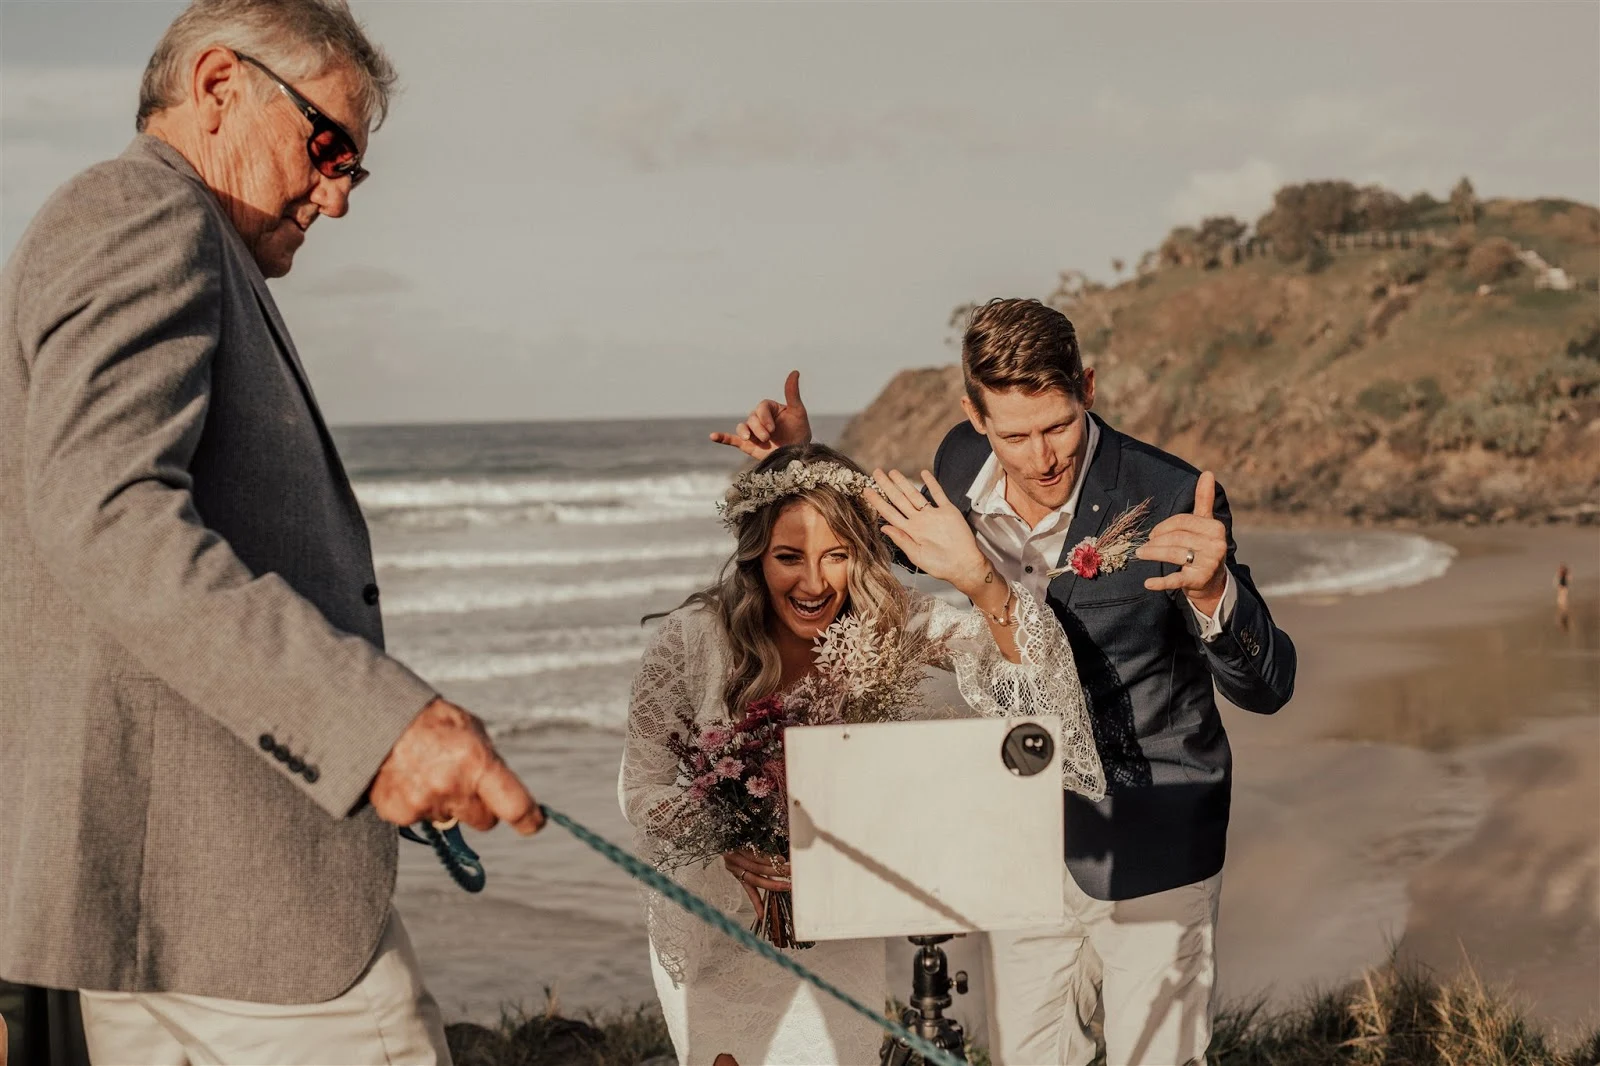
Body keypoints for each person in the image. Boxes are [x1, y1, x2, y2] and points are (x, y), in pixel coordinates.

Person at [0, 2, 543, 1062]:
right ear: (217, 87)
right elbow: (107, 516)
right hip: (240, 923)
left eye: (357, 170)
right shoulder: (140, 214)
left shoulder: (173, 233)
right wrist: (371, 726)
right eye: (327, 145)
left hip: (179, 919)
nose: (336, 196)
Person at [719, 298, 1297, 1066]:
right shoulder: (960, 462)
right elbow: (900, 540)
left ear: (1086, 387)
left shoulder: (1170, 494)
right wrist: (799, 460)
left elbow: (1268, 686)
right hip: (1023, 830)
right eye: (1015, 435)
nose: (1041, 457)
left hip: (1159, 828)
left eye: (1058, 425)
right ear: (974, 415)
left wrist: (1212, 594)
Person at [619, 443, 1104, 1066]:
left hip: (834, 929)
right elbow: (642, 792)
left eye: (837, 556)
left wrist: (980, 582)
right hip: (719, 929)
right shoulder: (691, 642)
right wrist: (726, 835)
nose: (814, 582)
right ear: (753, 556)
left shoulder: (888, 623)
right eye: (788, 558)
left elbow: (1028, 682)